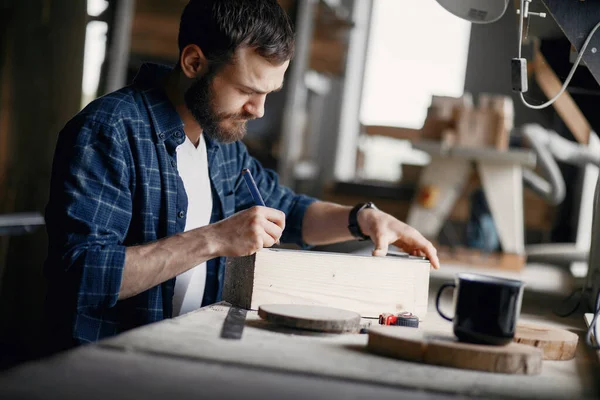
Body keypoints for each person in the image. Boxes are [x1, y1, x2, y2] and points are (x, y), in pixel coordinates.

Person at [42, 0, 440, 352]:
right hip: (108, 369)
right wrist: (215, 238)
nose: (259, 110)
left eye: (270, 93)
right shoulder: (108, 131)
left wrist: (363, 218)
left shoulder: (220, 142)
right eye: (247, 90)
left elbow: (287, 212)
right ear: (194, 63)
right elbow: (79, 275)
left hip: (189, 351)